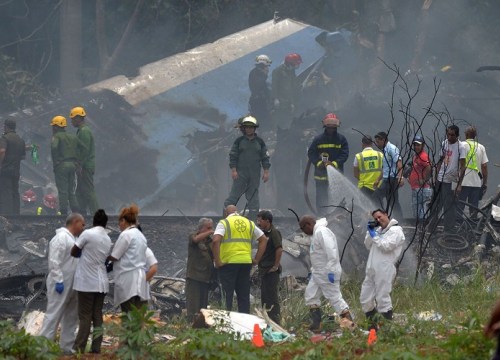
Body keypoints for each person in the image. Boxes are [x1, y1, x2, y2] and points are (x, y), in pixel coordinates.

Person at [39, 213, 85, 354]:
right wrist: (58, 280)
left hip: (73, 283)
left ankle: (66, 347)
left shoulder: (74, 239)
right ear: (75, 222)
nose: (83, 227)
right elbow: (54, 261)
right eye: (82, 224)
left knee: (71, 316)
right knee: (54, 314)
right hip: (61, 283)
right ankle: (43, 348)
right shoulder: (60, 238)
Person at [299, 215, 352, 332]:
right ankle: (316, 325)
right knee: (311, 295)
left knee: (335, 298)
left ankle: (350, 325)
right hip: (318, 273)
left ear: (308, 225)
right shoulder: (316, 233)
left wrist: (331, 271)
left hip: (327, 272)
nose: (304, 231)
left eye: (303, 228)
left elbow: (331, 251)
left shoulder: (322, 232)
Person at [212, 205, 267, 313]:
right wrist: (256, 260)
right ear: (236, 212)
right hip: (245, 263)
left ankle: (225, 322)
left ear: (226, 213)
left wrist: (218, 261)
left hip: (228, 263)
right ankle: (244, 321)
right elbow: (264, 239)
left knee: (226, 295)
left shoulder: (224, 223)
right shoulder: (249, 223)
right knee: (243, 295)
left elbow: (215, 241)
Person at [71, 209, 112, 354]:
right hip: (101, 283)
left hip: (86, 282)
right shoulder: (108, 239)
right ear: (105, 223)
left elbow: (73, 251)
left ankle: (79, 348)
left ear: (94, 221)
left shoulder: (87, 234)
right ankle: (96, 348)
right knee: (97, 315)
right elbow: (107, 259)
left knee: (84, 316)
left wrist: (83, 253)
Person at [360, 209, 405, 329]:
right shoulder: (379, 230)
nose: (378, 220)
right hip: (372, 268)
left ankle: (387, 328)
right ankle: (373, 326)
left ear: (386, 215)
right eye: (375, 219)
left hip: (385, 268)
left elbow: (386, 246)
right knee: (365, 299)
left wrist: (375, 236)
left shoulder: (396, 230)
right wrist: (370, 232)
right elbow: (367, 245)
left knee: (382, 298)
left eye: (380, 217)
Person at [223, 116, 270, 220]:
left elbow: (265, 157)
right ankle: (225, 219)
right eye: (247, 127)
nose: (249, 129)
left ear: (254, 128)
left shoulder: (260, 142)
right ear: (244, 129)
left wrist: (266, 172)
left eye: (251, 127)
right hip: (240, 174)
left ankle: (253, 222)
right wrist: (234, 170)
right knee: (234, 196)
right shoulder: (239, 141)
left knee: (253, 198)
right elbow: (233, 156)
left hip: (254, 174)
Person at [108, 204, 148, 312]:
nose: (119, 226)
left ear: (124, 221)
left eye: (119, 222)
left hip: (128, 278)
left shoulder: (126, 234)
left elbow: (115, 256)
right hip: (141, 278)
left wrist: (103, 259)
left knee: (128, 311)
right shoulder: (141, 236)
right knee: (138, 314)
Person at [307, 113, 349, 214]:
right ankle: (322, 216)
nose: (331, 130)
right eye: (329, 127)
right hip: (321, 176)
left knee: (338, 197)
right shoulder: (318, 139)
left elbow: (345, 154)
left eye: (333, 128)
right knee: (321, 197)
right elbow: (311, 153)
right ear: (325, 126)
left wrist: (334, 163)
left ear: (336, 127)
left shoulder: (341, 139)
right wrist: (318, 163)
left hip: (336, 176)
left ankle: (338, 216)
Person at [432, 125, 466, 233]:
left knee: (449, 206)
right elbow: (440, 160)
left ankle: (448, 230)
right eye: (448, 134)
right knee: (435, 204)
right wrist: (435, 176)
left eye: (452, 135)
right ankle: (431, 227)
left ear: (457, 135)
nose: (449, 137)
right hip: (440, 178)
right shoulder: (444, 143)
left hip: (451, 180)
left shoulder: (461, 147)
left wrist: (459, 184)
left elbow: (463, 166)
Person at [70, 106, 99, 215]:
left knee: (88, 190)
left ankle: (96, 214)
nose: (71, 121)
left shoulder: (84, 131)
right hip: (84, 165)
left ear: (78, 118)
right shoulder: (81, 131)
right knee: (80, 190)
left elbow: (84, 151)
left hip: (86, 166)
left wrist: (79, 165)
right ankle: (81, 212)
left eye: (72, 119)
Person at [256, 210, 283, 324]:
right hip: (264, 270)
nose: (258, 223)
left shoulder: (274, 233)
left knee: (272, 297)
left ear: (267, 221)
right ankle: (267, 321)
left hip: (271, 270)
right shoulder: (263, 234)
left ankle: (276, 322)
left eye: (260, 220)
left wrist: (275, 266)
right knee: (265, 298)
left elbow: (279, 249)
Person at [185, 218, 215, 321]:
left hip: (206, 278)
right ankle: (191, 325)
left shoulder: (211, 241)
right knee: (193, 305)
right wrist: (210, 232)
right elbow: (195, 240)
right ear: (201, 228)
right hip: (194, 277)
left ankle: (201, 327)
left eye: (211, 227)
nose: (211, 230)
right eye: (208, 228)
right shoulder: (193, 236)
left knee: (203, 307)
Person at [50, 115, 79, 215]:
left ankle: (63, 212)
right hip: (72, 165)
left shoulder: (57, 136)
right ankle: (76, 211)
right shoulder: (73, 137)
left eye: (53, 126)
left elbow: (54, 148)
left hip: (62, 165)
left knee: (63, 190)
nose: (52, 128)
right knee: (71, 190)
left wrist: (55, 161)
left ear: (56, 127)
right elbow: (78, 150)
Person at [458, 126, 488, 220]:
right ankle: (472, 228)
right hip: (476, 183)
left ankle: (456, 227)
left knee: (459, 207)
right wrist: (484, 182)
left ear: (466, 134)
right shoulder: (481, 147)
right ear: (475, 136)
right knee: (474, 209)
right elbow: (484, 167)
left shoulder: (461, 145)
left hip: (462, 182)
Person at [374, 132, 404, 219]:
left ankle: (383, 217)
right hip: (387, 179)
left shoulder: (391, 148)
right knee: (392, 202)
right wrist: (378, 180)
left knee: (376, 196)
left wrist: (400, 177)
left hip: (392, 180)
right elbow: (386, 167)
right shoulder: (385, 150)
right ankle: (398, 220)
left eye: (378, 141)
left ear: (383, 140)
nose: (377, 144)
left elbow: (399, 162)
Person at [0, 118, 26, 215]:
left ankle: (6, 214)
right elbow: (23, 156)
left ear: (6, 126)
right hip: (16, 170)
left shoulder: (5, 138)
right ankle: (16, 213)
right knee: (15, 191)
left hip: (6, 170)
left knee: (5, 192)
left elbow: (2, 151)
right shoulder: (20, 140)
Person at [271, 53, 302, 130]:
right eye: (296, 64)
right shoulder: (277, 71)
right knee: (282, 119)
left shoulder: (291, 71)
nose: (297, 66)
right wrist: (275, 98)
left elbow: (293, 85)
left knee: (290, 118)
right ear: (290, 63)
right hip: (281, 100)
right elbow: (274, 86)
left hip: (290, 99)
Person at [408, 135, 433, 220]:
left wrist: (424, 179)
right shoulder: (416, 156)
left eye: (418, 145)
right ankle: (419, 229)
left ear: (423, 145)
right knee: (417, 211)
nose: (416, 147)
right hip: (416, 188)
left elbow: (429, 167)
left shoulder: (423, 156)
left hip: (422, 189)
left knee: (422, 212)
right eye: (415, 145)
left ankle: (422, 230)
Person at [249, 55, 272, 131]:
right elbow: (259, 87)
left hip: (259, 102)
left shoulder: (255, 73)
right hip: (258, 103)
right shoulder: (257, 75)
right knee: (263, 122)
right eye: (266, 67)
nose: (268, 69)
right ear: (262, 66)